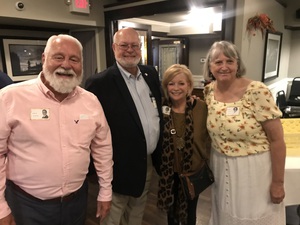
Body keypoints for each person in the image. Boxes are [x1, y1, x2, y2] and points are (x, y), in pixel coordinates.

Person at [0, 34, 113, 225]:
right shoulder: (9, 98)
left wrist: (105, 191)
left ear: (81, 64)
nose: (67, 65)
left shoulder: (91, 102)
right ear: (44, 59)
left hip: (76, 201)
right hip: (26, 204)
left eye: (74, 59)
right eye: (58, 57)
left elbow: (103, 148)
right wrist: (1, 208)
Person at [85, 27, 163, 225]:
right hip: (117, 166)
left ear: (141, 47)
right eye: (124, 45)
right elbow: (91, 129)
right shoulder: (99, 83)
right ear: (113, 48)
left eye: (134, 45)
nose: (130, 50)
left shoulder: (150, 74)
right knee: (113, 214)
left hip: (146, 162)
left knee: (137, 209)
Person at [203, 40, 286, 225]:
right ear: (210, 66)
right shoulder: (208, 91)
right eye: (218, 62)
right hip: (220, 165)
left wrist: (278, 183)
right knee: (224, 215)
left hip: (253, 169)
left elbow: (277, 140)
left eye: (229, 61)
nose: (224, 66)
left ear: (237, 64)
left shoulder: (257, 91)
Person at [157, 64, 210, 225]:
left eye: (181, 83)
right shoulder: (160, 109)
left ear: (189, 86)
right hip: (169, 173)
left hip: (192, 172)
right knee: (171, 215)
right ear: (166, 86)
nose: (176, 88)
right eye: (171, 83)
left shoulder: (201, 107)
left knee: (190, 215)